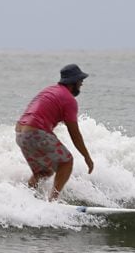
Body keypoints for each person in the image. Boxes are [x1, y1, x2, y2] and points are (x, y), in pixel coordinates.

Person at [15, 64, 95, 201]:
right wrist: (87, 157)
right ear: (73, 81)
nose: (82, 83)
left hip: (20, 133)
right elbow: (75, 134)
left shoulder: (50, 90)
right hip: (35, 132)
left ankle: (25, 199)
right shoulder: (69, 100)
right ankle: (53, 202)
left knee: (44, 172)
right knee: (67, 162)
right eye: (80, 80)